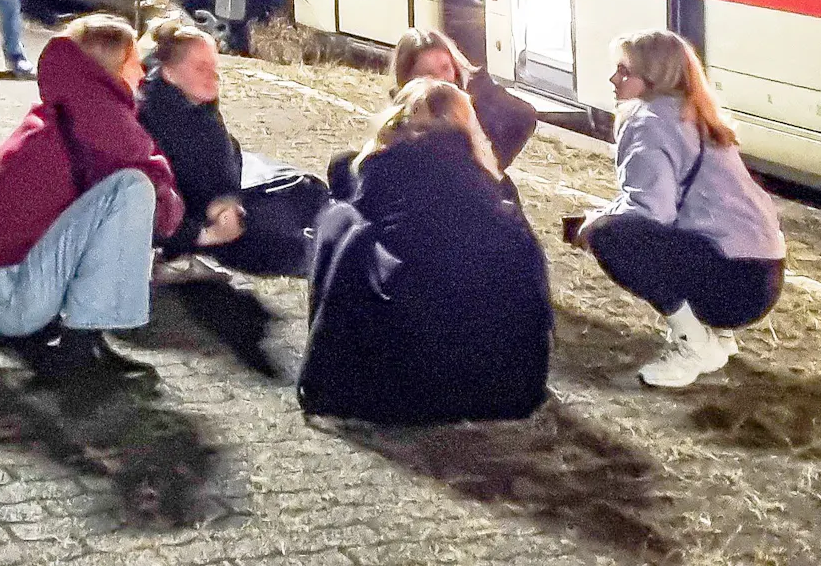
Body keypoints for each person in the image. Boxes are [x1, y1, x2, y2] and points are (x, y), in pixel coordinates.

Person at [0, 14, 185, 384]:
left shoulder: (67, 108)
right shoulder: (100, 119)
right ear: (112, 68)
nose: (142, 73)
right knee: (134, 191)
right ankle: (80, 349)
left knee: (110, 206)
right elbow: (157, 198)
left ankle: (76, 337)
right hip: (6, 295)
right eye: (135, 62)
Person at [298, 78, 552, 425]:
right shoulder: (490, 181)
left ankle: (330, 365)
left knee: (340, 221)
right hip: (505, 387)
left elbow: (364, 223)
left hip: (412, 384)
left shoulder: (382, 164)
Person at [572, 29, 787, 389]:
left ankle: (694, 344)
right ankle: (715, 338)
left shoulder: (647, 122)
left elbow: (651, 213)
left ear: (653, 78)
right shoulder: (692, 113)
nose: (614, 78)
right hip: (764, 273)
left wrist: (596, 222)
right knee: (615, 226)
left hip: (735, 283)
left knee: (611, 237)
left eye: (624, 71)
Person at [137, 15, 330, 279]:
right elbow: (155, 205)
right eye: (200, 68)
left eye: (214, 66)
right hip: (204, 223)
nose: (212, 76)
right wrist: (203, 231)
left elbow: (223, 158)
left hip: (229, 198)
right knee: (282, 238)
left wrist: (229, 198)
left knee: (307, 192)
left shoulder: (196, 102)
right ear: (169, 73)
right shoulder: (154, 119)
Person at [388, 28, 538, 170]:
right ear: (407, 81)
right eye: (428, 74)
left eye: (445, 68)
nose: (441, 81)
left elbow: (525, 115)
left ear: (455, 66)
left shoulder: (474, 97)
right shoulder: (397, 130)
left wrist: (490, 165)